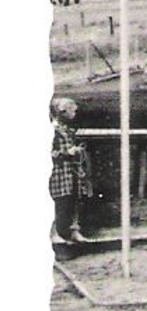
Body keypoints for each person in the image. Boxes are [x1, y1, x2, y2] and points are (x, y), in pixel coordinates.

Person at [49, 97, 92, 244]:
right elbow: (48, 152)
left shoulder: (68, 129)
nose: (75, 113)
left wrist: (77, 151)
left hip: (72, 170)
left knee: (75, 200)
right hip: (59, 171)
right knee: (59, 202)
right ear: (62, 112)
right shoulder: (51, 130)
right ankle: (54, 232)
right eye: (72, 111)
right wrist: (67, 152)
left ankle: (74, 230)